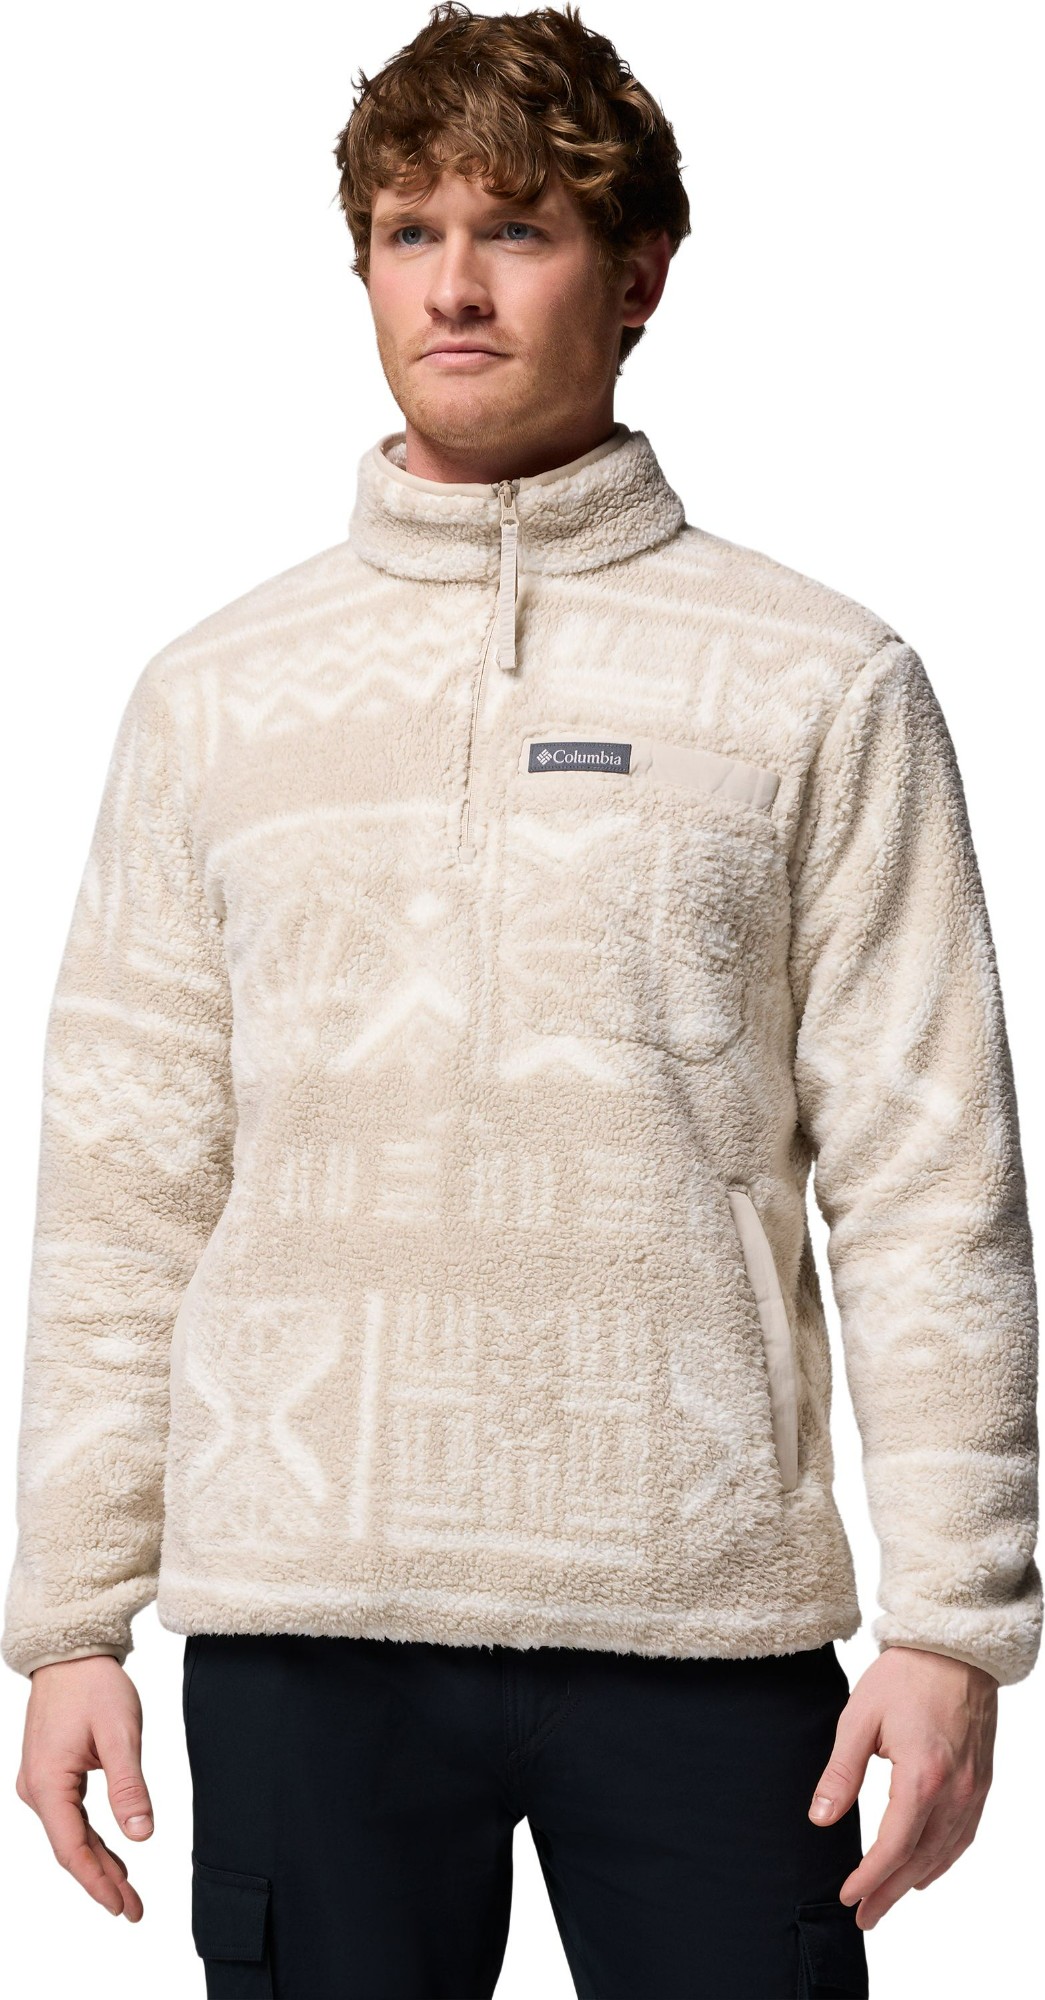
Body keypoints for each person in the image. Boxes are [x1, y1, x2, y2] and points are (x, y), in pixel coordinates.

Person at [4, 4, 1039, 1995]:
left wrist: (952, 1621)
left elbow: (929, 1175)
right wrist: (69, 1618)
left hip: (706, 1625)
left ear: (639, 274)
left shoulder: (820, 681)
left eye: (517, 230)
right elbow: (125, 1179)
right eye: (409, 233)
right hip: (304, 1625)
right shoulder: (211, 698)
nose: (454, 288)